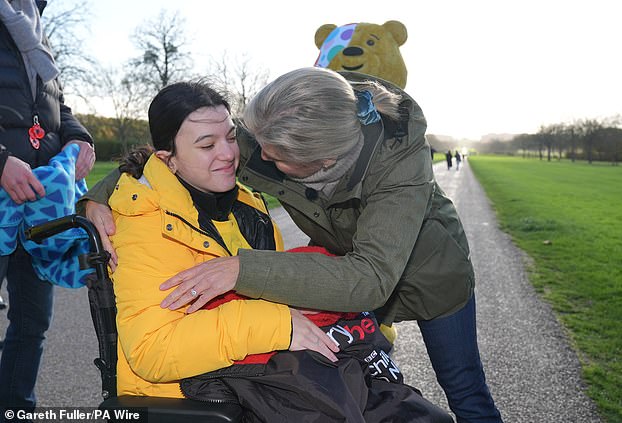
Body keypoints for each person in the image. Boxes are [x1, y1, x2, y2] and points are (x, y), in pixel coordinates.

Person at [81, 67, 502, 422]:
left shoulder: (397, 162)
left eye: (271, 155)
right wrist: (98, 197)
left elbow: (371, 277)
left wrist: (242, 272)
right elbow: (164, 160)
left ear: (322, 161)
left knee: (463, 388)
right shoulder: (287, 123)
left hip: (427, 276)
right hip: (340, 279)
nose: (242, 154)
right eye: (229, 141)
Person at [0, 0, 95, 416]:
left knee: (32, 322)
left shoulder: (33, 29)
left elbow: (57, 108)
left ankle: (15, 410)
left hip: (44, 203)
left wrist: (80, 137)